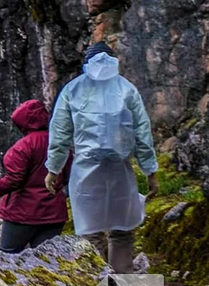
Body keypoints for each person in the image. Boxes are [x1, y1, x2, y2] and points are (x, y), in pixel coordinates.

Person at [45, 42, 159, 274]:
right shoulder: (127, 89)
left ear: (87, 63)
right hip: (120, 170)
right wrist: (150, 171)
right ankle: (124, 282)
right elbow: (142, 134)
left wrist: (53, 169)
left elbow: (60, 134)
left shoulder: (72, 90)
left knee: (91, 232)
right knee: (121, 230)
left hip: (86, 171)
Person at [0, 99, 69, 253]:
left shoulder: (23, 147)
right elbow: (68, 174)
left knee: (8, 256)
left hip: (23, 214)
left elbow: (13, 180)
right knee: (47, 261)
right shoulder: (60, 144)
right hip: (54, 214)